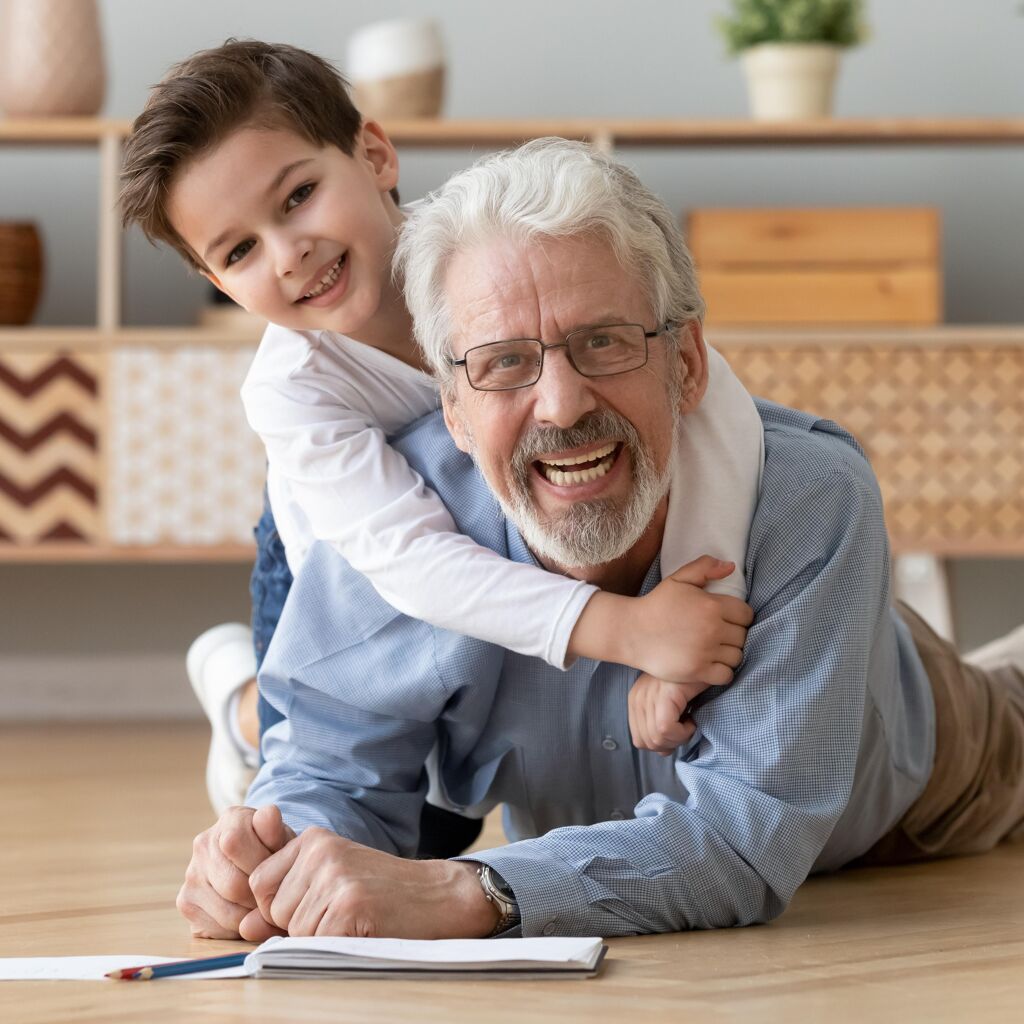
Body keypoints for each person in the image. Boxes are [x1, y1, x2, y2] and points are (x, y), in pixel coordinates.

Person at [175, 138, 1024, 943]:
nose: (562, 405)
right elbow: (332, 768)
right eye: (504, 362)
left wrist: (468, 890)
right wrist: (272, 859)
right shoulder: (404, 525)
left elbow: (741, 840)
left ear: (687, 363)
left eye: (604, 342)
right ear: (453, 408)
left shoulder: (807, 497)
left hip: (935, 781)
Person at [118, 41, 759, 835]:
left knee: (475, 771)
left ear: (376, 154)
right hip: (343, 574)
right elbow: (412, 565)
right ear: (219, 284)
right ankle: (240, 700)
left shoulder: (489, 251)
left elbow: (714, 402)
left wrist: (705, 606)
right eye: (240, 251)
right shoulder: (291, 390)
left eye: (298, 197)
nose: (289, 255)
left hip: (494, 527)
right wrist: (628, 631)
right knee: (419, 824)